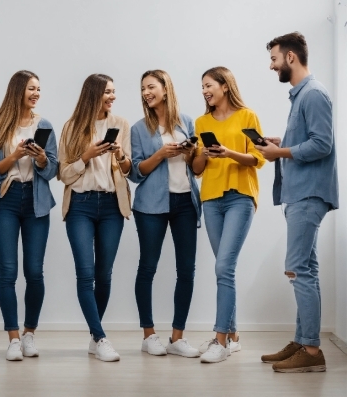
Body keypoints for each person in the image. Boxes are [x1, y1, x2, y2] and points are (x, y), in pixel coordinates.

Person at [257, 32, 338, 373]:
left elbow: (323, 144)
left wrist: (281, 151)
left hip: (308, 194)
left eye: (274, 58)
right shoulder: (302, 96)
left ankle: (311, 350)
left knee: (298, 270)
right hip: (300, 194)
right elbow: (308, 140)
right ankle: (304, 340)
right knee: (307, 270)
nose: (271, 65)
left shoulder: (314, 94)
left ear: (291, 57)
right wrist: (282, 142)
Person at [0, 70, 58, 361]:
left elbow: (53, 170)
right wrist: (14, 157)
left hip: (36, 200)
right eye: (31, 88)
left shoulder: (44, 125)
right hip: (6, 200)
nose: (36, 93)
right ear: (17, 91)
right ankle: (12, 338)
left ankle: (29, 334)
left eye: (38, 88)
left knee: (34, 271)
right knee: (8, 272)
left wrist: (42, 158)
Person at [191, 66, 265, 364]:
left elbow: (258, 158)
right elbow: (196, 170)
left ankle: (220, 340)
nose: (205, 91)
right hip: (211, 199)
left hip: (240, 197)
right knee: (226, 270)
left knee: (223, 267)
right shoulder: (201, 122)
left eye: (209, 85)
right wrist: (204, 155)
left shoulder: (247, 116)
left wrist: (229, 153)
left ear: (224, 86)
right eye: (202, 87)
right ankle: (232, 337)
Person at [58, 73, 131, 362]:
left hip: (113, 204)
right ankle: (101, 337)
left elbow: (127, 169)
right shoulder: (72, 126)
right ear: (93, 95)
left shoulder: (121, 125)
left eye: (114, 92)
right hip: (81, 205)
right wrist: (86, 156)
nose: (112, 97)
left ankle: (94, 335)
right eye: (107, 92)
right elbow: (63, 173)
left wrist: (121, 154)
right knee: (85, 273)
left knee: (104, 275)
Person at [128, 70, 201, 358]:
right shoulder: (137, 128)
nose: (146, 92)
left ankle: (177, 337)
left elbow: (197, 168)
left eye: (151, 87)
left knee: (186, 270)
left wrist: (189, 152)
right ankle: (148, 335)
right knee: (148, 267)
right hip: (150, 206)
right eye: (143, 88)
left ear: (165, 89)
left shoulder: (187, 122)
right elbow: (136, 172)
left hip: (185, 202)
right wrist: (161, 154)